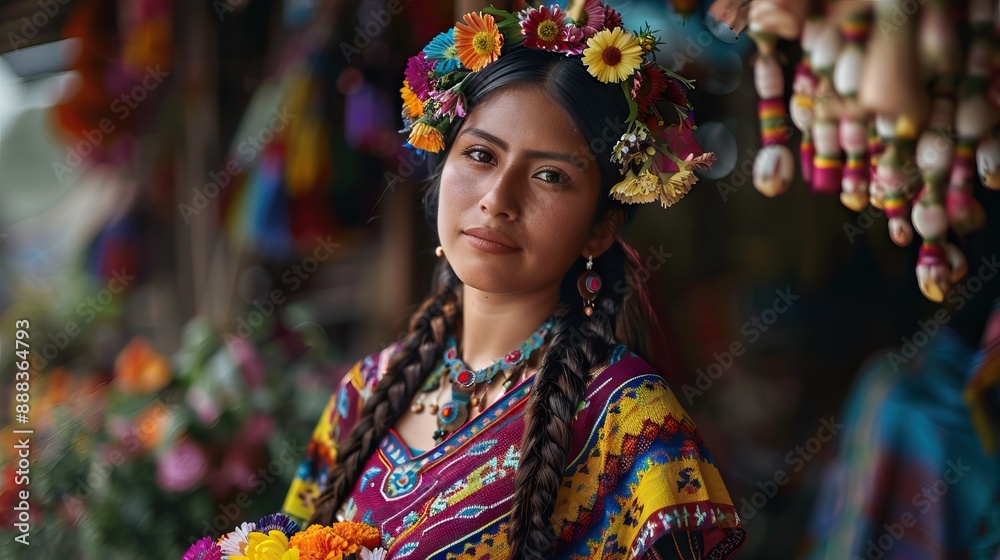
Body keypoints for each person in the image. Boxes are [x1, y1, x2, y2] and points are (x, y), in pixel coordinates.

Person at [282, 2, 746, 558]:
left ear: (601, 229)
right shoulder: (363, 394)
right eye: (480, 154)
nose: (497, 200)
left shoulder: (635, 427)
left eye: (550, 175)